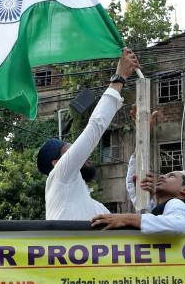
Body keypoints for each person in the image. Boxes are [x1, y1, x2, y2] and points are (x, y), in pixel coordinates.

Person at [37, 48, 141, 220]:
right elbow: (95, 126)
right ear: (57, 163)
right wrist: (119, 77)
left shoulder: (96, 208)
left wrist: (142, 131)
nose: (85, 154)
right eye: (70, 150)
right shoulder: (58, 177)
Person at [91, 166, 185, 234]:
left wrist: (126, 219)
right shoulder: (162, 208)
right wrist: (149, 195)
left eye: (171, 176)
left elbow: (178, 225)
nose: (161, 176)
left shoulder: (176, 203)